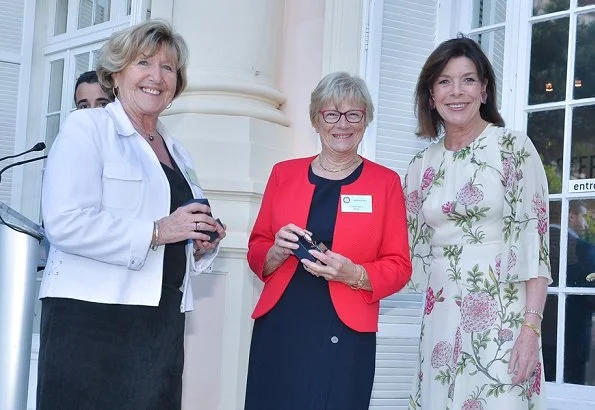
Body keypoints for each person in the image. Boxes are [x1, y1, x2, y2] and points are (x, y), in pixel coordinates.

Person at [36, 20, 226, 410]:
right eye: (144, 63)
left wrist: (201, 243)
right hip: (93, 320)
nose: (156, 77)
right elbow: (65, 222)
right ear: (116, 73)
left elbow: (178, 231)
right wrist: (158, 230)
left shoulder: (176, 148)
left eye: (168, 68)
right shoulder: (87, 127)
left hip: (161, 321)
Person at [244, 71, 412, 410]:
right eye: (331, 114)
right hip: (284, 320)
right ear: (316, 119)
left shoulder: (386, 183)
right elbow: (257, 247)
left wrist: (353, 274)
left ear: (366, 121)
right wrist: (276, 251)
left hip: (346, 325)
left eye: (354, 114)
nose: (343, 124)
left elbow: (399, 266)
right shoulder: (283, 173)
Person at [404, 36, 551, 409]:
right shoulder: (421, 165)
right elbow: (399, 248)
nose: (457, 92)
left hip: (502, 318)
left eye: (468, 80)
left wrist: (530, 329)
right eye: (444, 81)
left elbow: (534, 243)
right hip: (440, 315)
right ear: (431, 94)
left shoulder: (513, 149)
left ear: (484, 90)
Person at [543, 200, 595, 384]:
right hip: (574, 339)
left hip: (537, 336)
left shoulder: (536, 244)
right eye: (584, 217)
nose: (586, 224)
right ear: (571, 216)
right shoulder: (584, 250)